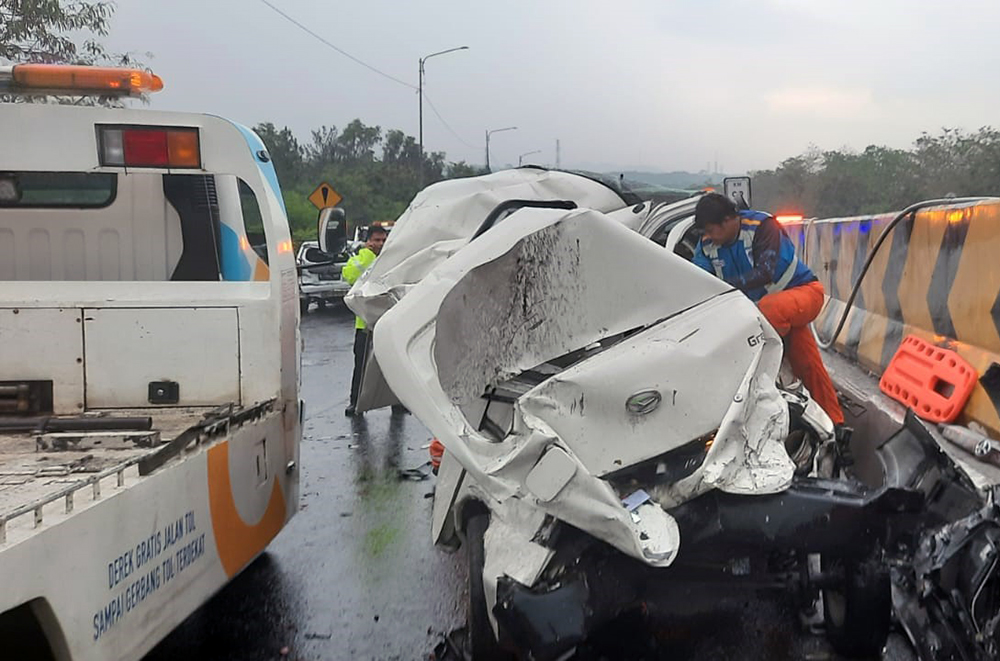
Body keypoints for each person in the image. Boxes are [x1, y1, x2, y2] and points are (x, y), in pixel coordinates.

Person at [691, 193, 845, 427]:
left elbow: (765, 272)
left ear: (727, 221)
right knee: (808, 364)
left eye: (712, 230)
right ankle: (836, 424)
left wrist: (726, 289)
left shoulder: (763, 227)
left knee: (766, 313)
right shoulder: (707, 245)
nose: (709, 237)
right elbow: (698, 280)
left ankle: (769, 368)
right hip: (769, 315)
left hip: (804, 294)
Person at [342, 225, 387, 416]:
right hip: (366, 325)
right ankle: (356, 402)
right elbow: (349, 275)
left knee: (392, 366)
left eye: (383, 240)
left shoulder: (392, 258)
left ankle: (397, 403)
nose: (380, 244)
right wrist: (368, 255)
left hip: (387, 322)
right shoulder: (362, 258)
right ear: (368, 241)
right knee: (361, 366)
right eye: (376, 240)